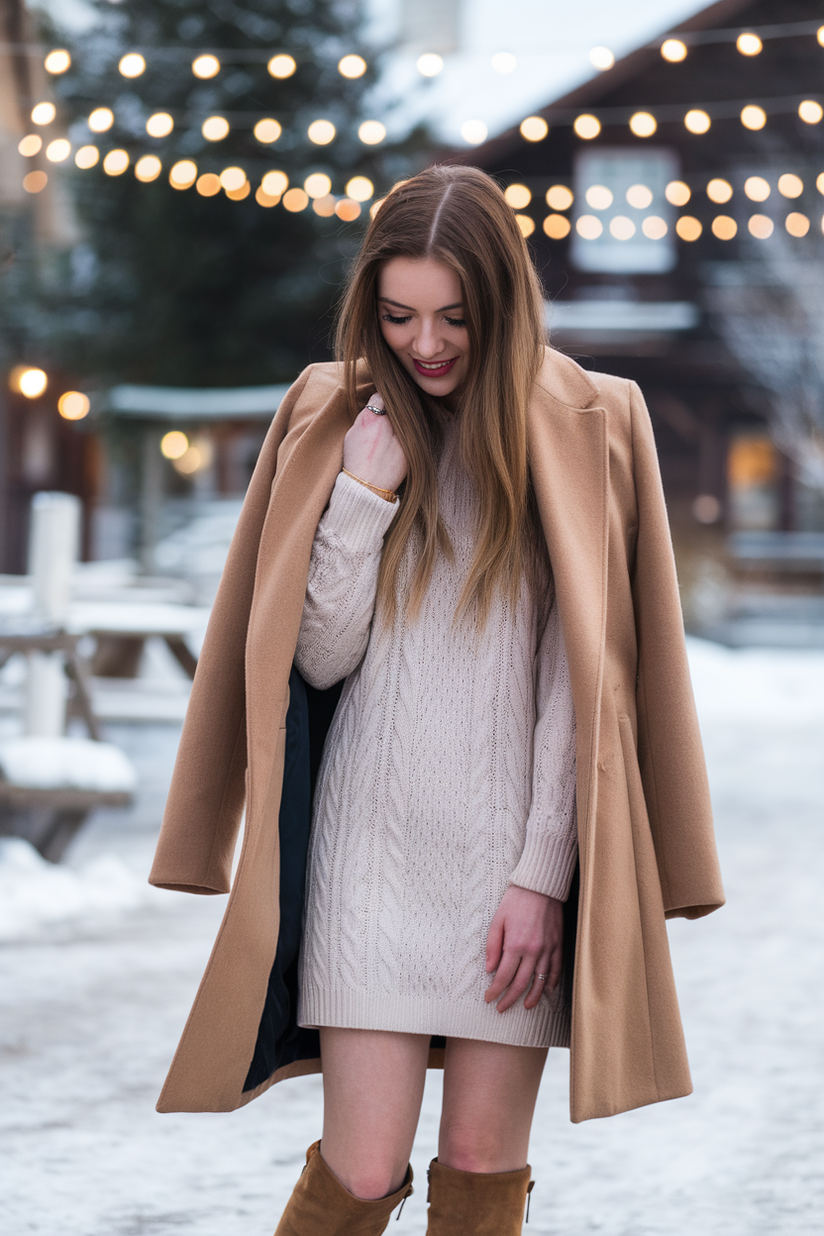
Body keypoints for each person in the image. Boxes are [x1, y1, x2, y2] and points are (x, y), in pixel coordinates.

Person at [149, 165, 725, 1236]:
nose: (424, 344)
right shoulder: (333, 415)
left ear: (502, 304)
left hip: (509, 866)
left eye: (454, 318)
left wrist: (539, 877)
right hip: (367, 859)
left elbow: (580, 685)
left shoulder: (589, 422)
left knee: (475, 1165)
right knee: (359, 1172)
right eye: (399, 315)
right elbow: (316, 661)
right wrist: (363, 492)